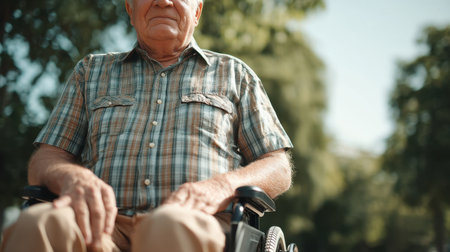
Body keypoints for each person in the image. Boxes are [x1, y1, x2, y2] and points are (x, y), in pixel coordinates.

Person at [1, 0, 293, 251]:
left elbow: (278, 165)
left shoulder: (234, 74)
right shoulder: (90, 72)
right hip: (98, 222)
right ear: (130, 8)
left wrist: (221, 187)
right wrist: (69, 178)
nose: (163, 1)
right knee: (39, 224)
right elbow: (46, 159)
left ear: (197, 11)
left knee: (167, 226)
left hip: (193, 222)